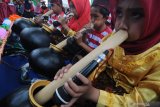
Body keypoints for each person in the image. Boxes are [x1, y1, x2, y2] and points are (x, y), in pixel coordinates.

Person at [54, 0, 160, 106]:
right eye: (119, 12)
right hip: (97, 86)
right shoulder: (112, 39)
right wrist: (78, 74)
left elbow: (139, 102)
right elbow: (100, 63)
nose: (121, 25)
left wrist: (92, 93)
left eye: (136, 14)